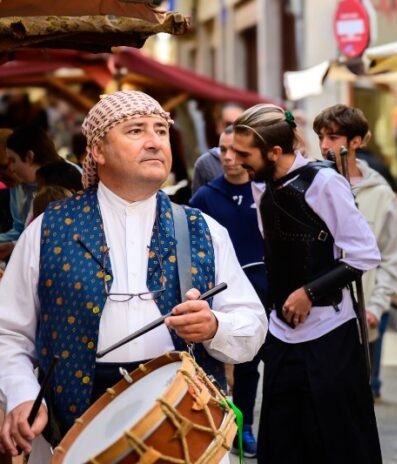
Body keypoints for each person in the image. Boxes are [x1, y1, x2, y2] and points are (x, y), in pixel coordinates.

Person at [0, 91, 268, 463]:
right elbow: (9, 333)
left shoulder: (203, 229)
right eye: (136, 130)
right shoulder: (47, 230)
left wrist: (214, 325)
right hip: (71, 435)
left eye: (161, 130)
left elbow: (252, 326)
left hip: (185, 432)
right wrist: (22, 394)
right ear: (98, 151)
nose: (154, 140)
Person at [230, 104, 382, 464]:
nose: (236, 161)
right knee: (282, 444)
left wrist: (309, 293)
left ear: (275, 152)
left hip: (330, 333)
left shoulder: (324, 182)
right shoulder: (261, 185)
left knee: (338, 443)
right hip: (283, 335)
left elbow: (364, 253)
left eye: (244, 153)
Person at [312, 104, 397, 400]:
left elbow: (392, 256)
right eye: (321, 137)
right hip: (317, 313)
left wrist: (377, 307)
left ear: (355, 142)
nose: (325, 145)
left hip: (364, 314)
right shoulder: (309, 185)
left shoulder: (380, 192)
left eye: (334, 137)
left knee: (359, 397)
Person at [190, 125, 268, 458]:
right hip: (220, 297)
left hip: (269, 293)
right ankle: (238, 426)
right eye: (223, 150)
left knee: (266, 366)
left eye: (236, 151)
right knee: (231, 366)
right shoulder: (206, 197)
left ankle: (253, 426)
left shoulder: (265, 191)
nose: (229, 158)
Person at [0, 125, 71, 261]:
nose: (12, 168)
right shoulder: (21, 184)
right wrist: (13, 246)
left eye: (12, 161)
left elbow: (55, 242)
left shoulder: (65, 182)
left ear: (29, 157)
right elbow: (22, 229)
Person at [192, 103, 244, 194]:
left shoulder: (257, 158)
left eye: (241, 126)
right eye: (229, 124)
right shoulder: (205, 163)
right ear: (219, 126)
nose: (233, 131)